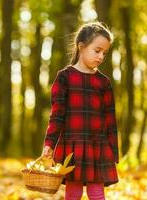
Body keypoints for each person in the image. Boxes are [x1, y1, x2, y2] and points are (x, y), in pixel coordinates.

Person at [42, 22, 119, 200]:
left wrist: (113, 151)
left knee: (97, 193)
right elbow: (57, 114)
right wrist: (49, 143)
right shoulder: (65, 77)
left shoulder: (103, 82)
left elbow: (110, 119)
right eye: (97, 50)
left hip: (97, 146)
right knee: (73, 192)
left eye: (104, 53)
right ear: (81, 47)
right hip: (72, 144)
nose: (101, 57)